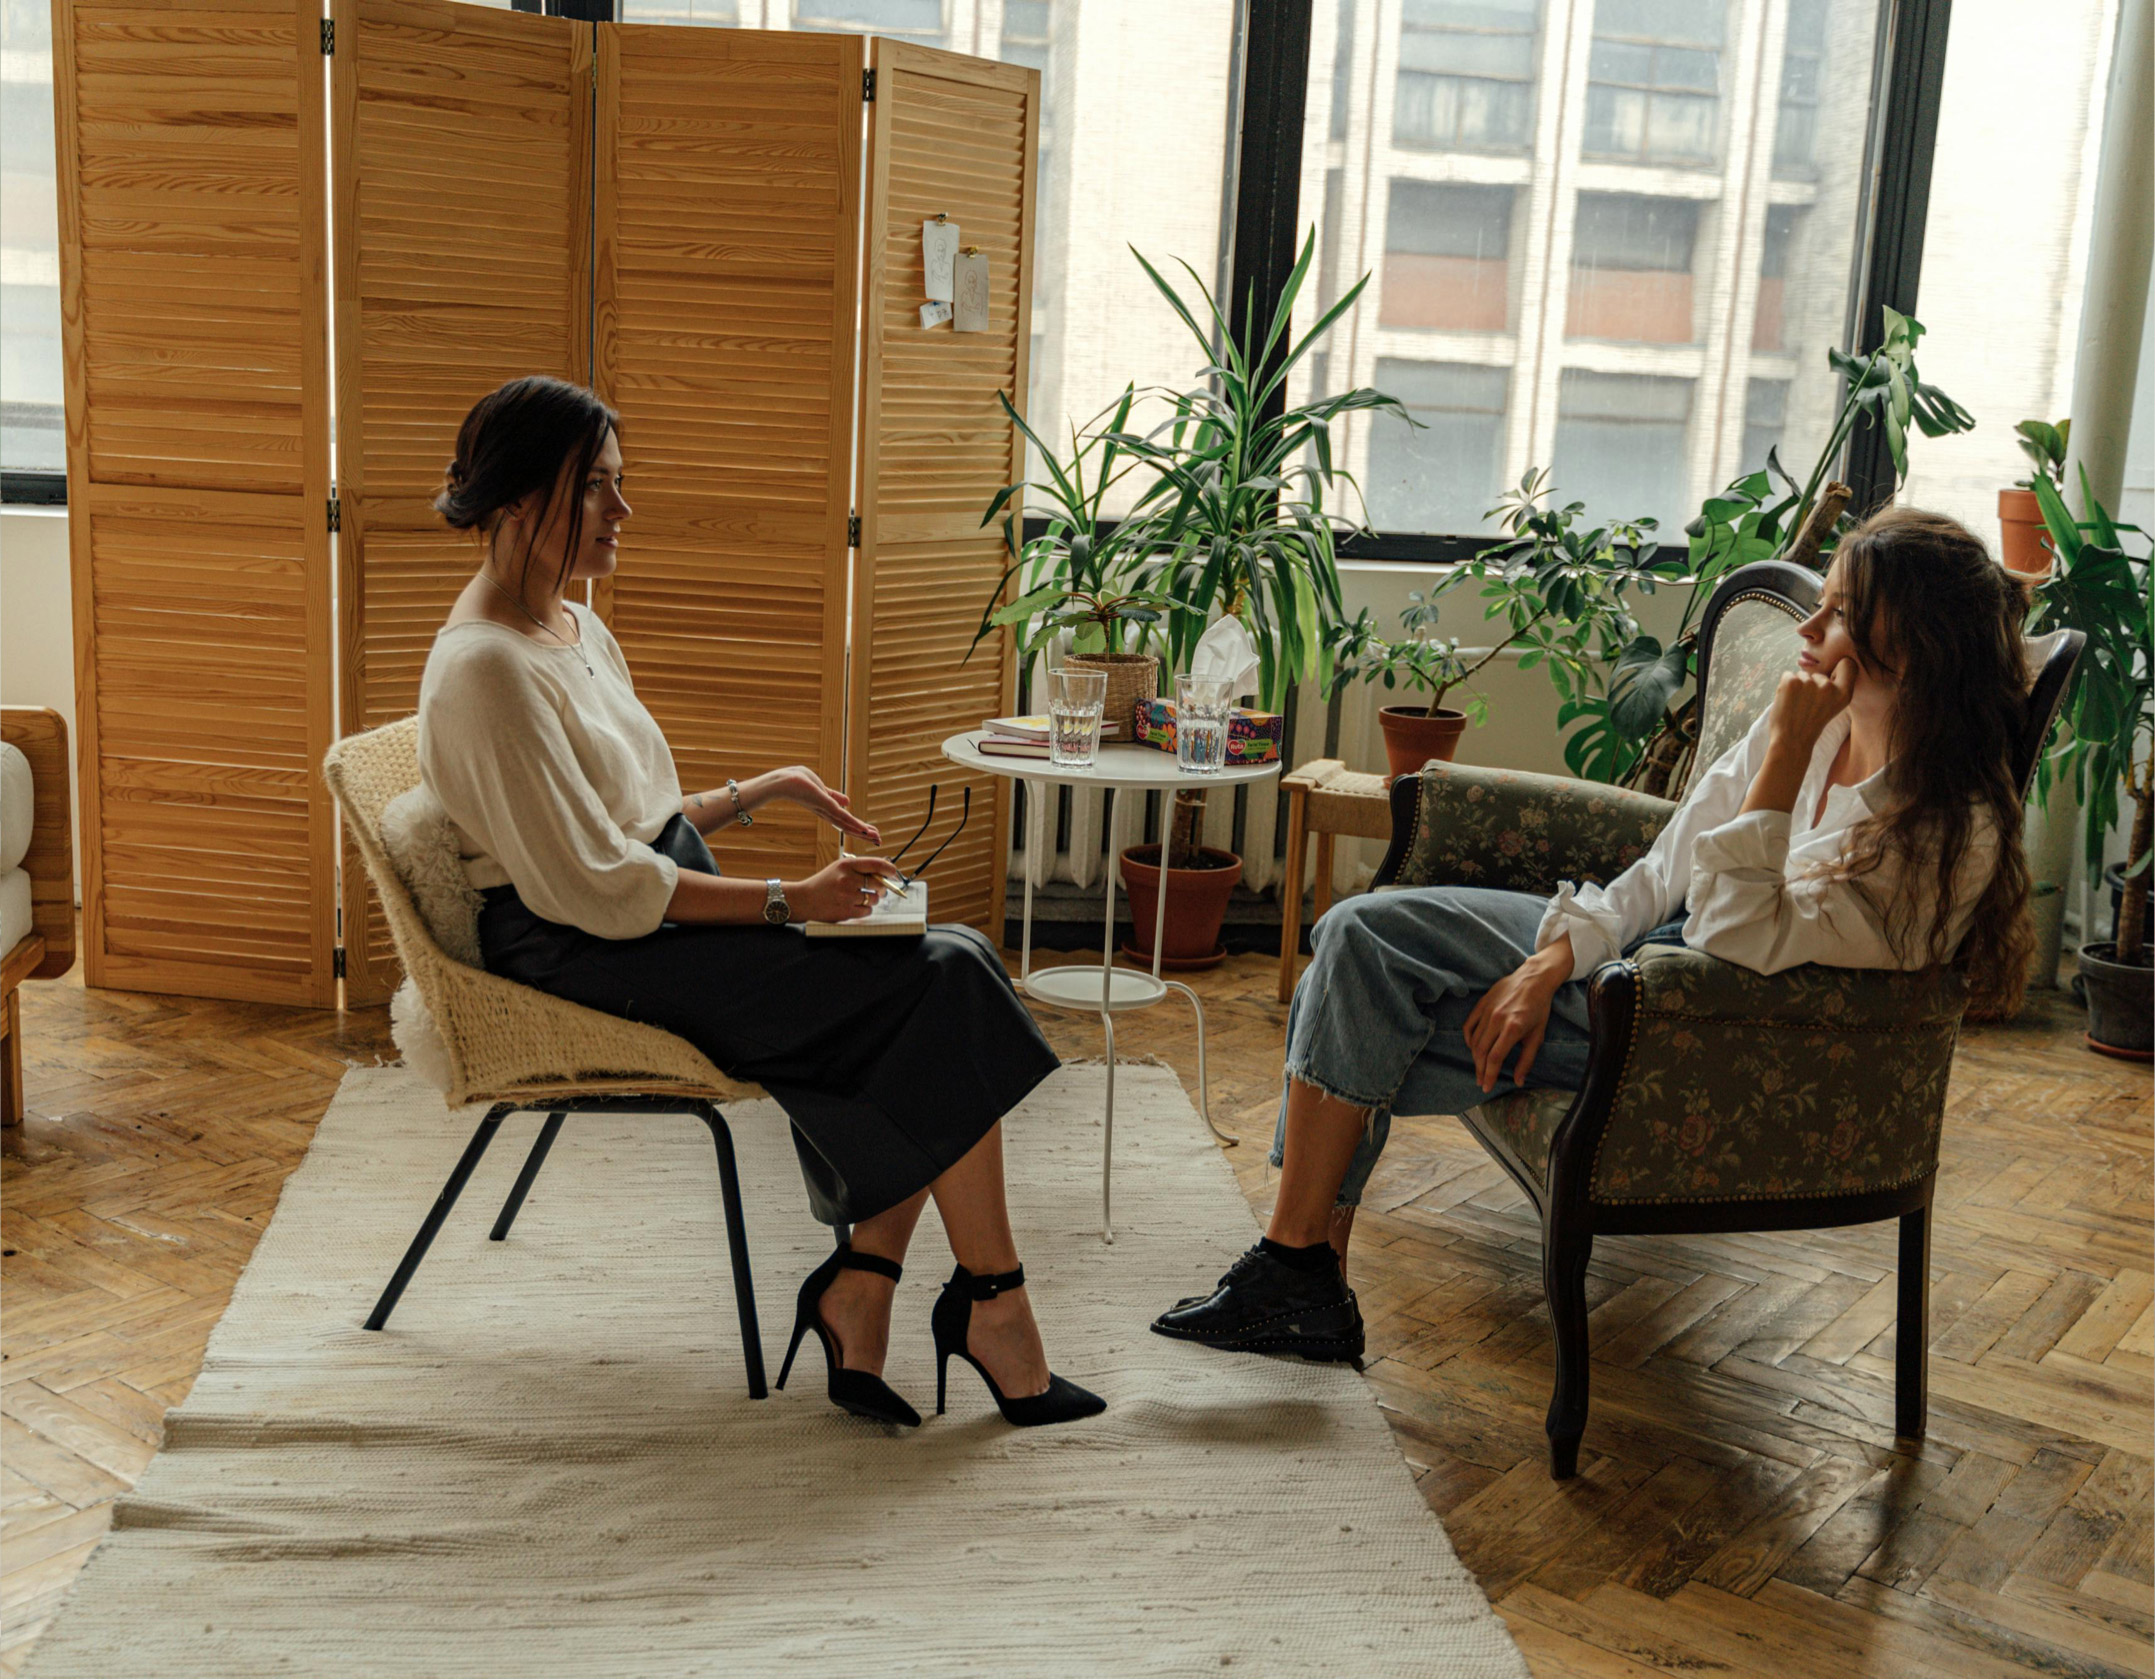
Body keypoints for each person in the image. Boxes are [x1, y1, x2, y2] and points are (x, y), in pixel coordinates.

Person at [1154, 508, 2035, 1362]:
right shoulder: (1821, 720)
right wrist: (1551, 961)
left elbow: (1730, 934)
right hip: (1642, 967)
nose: (1807, 627)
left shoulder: (1940, 833)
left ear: (1912, 649)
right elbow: (1669, 864)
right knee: (1356, 942)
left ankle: (1300, 1275)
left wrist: (1780, 760)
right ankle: (1305, 1272)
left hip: (1709, 1030)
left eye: (1838, 612)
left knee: (1354, 988)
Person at [416, 375, 1103, 1430]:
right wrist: (792, 898)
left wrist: (761, 790)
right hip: (583, 949)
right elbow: (593, 883)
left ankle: (870, 1290)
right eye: (595, 487)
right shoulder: (484, 669)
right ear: (515, 497)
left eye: (618, 482)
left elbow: (624, 820)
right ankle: (981, 1309)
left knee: (950, 958)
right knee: (942, 983)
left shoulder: (571, 626)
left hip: (637, 910)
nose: (622, 509)